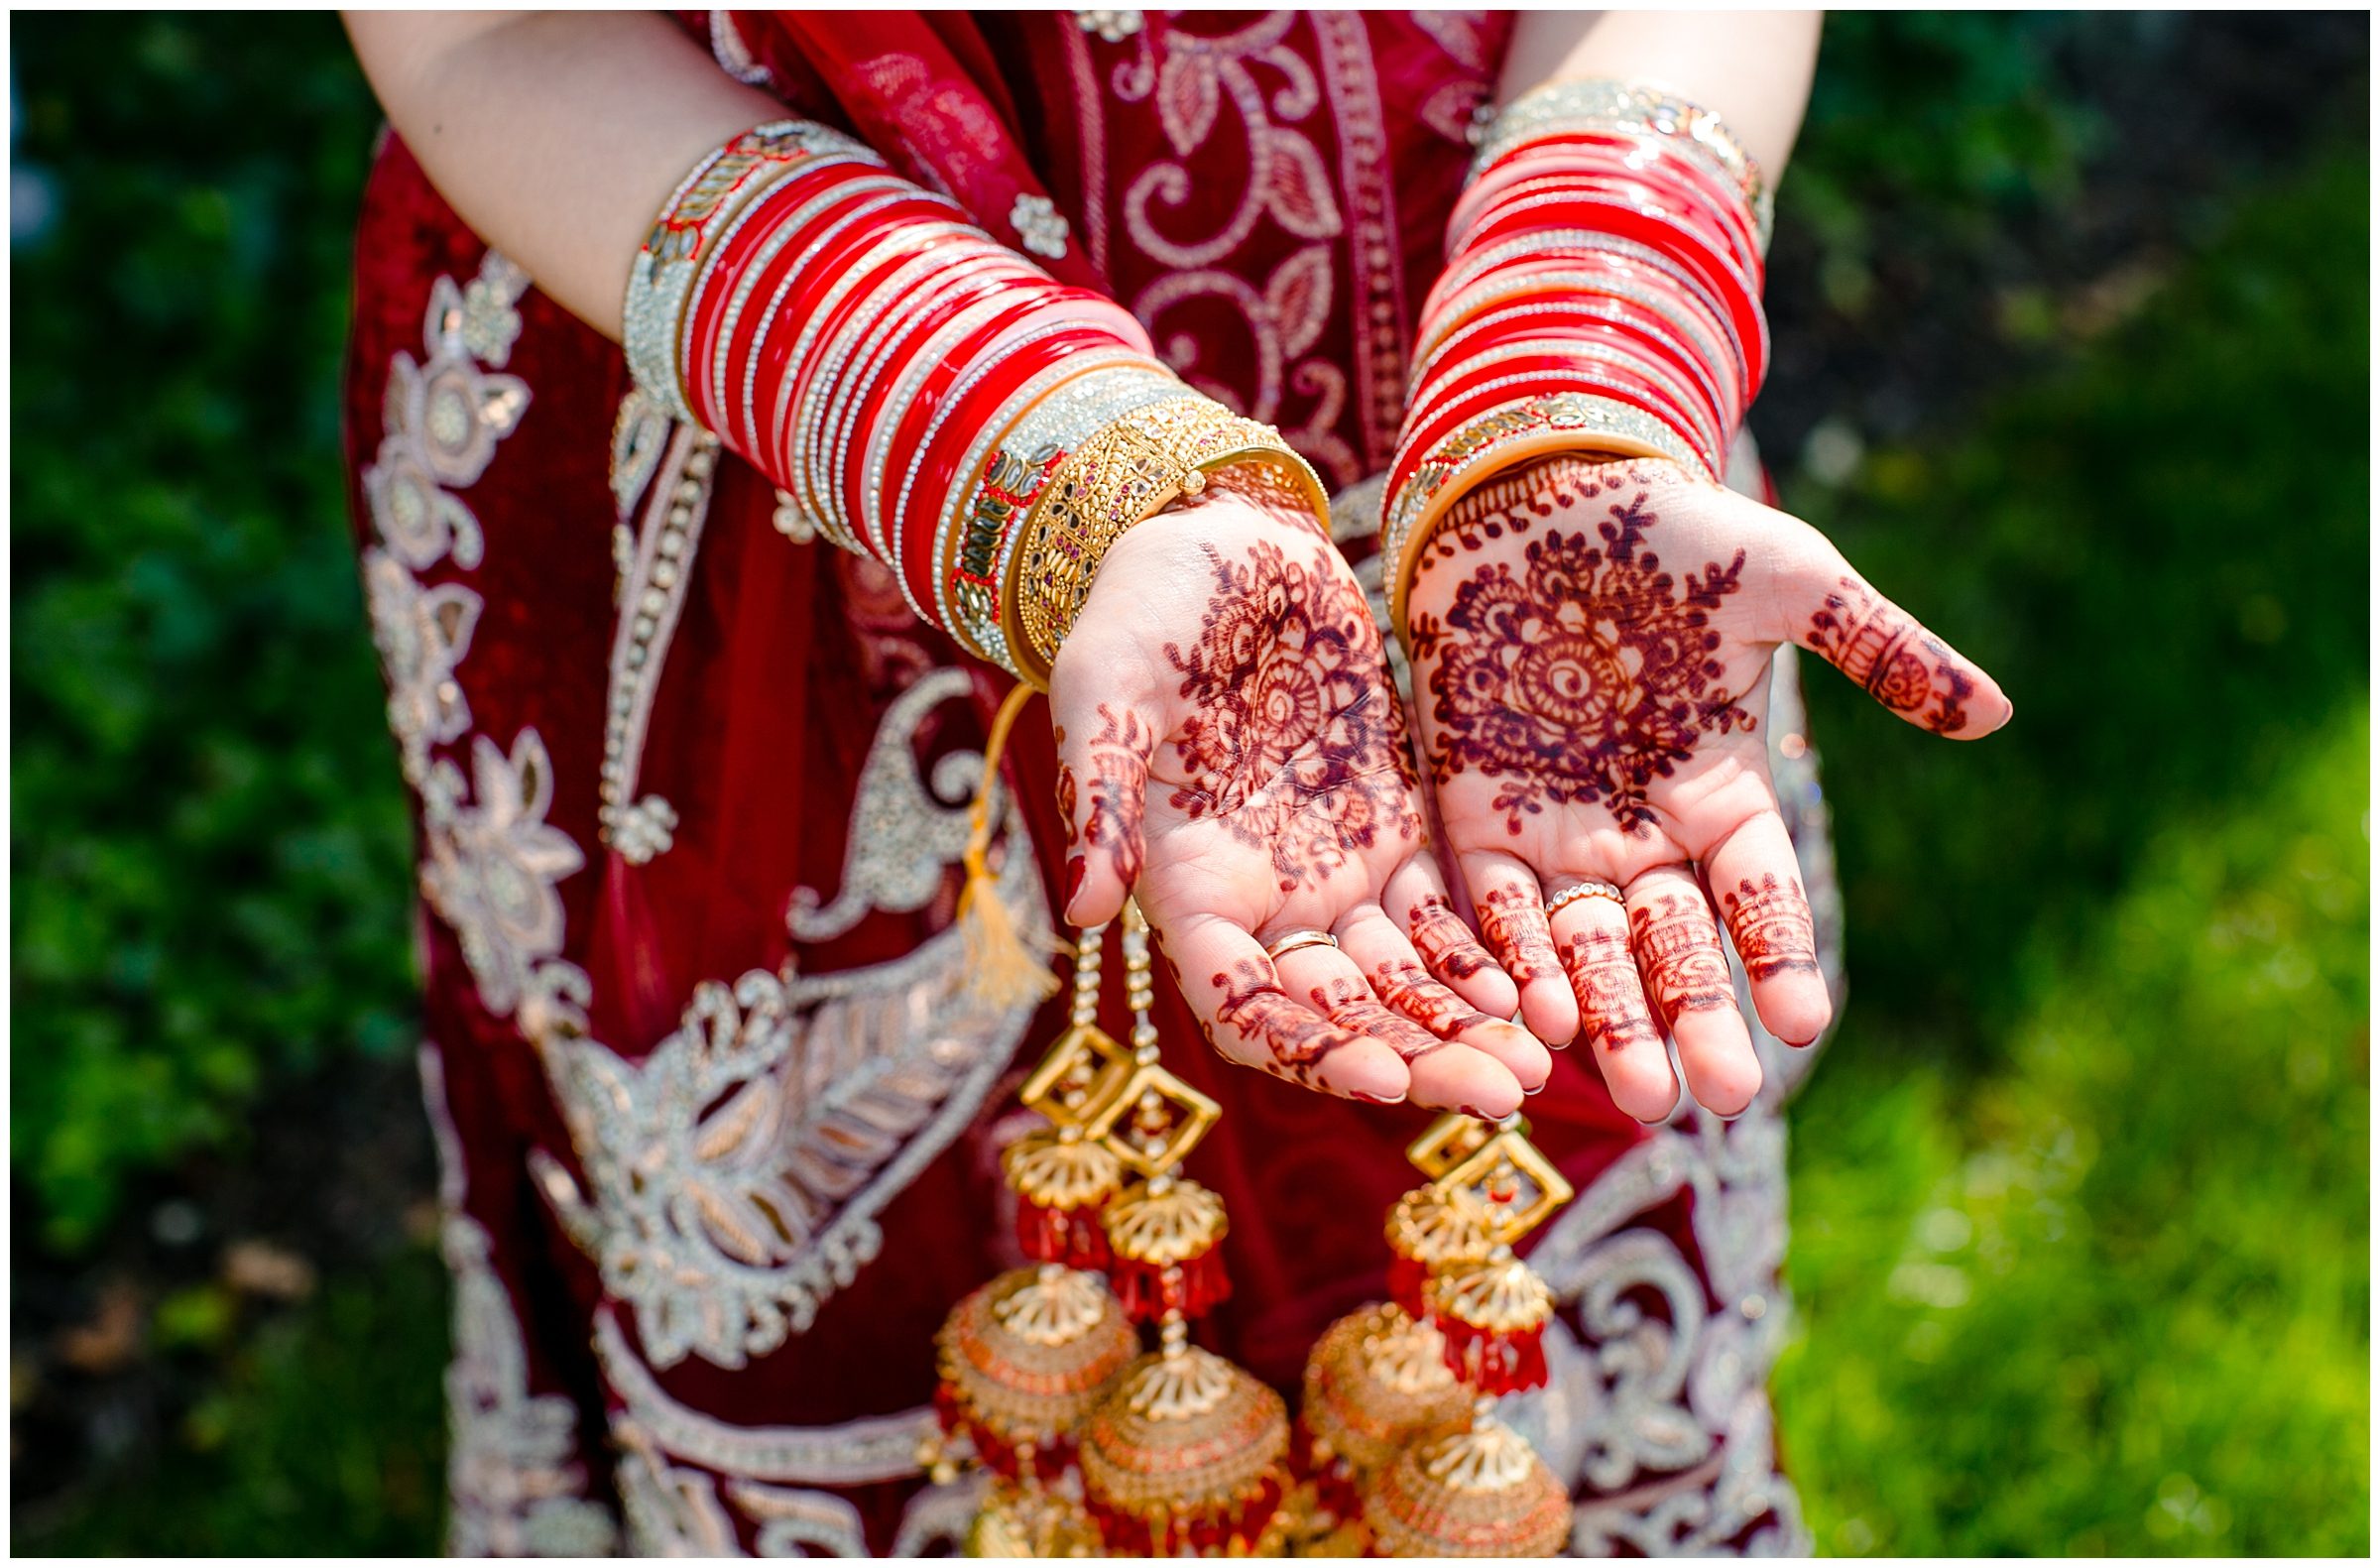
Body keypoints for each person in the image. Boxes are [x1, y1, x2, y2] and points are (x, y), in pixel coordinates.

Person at [340, 10, 2007, 1555]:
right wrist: (1034, 462)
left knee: (1527, 1308)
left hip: (1477, 414)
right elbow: (504, 33)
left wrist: (1577, 367)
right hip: (752, 418)